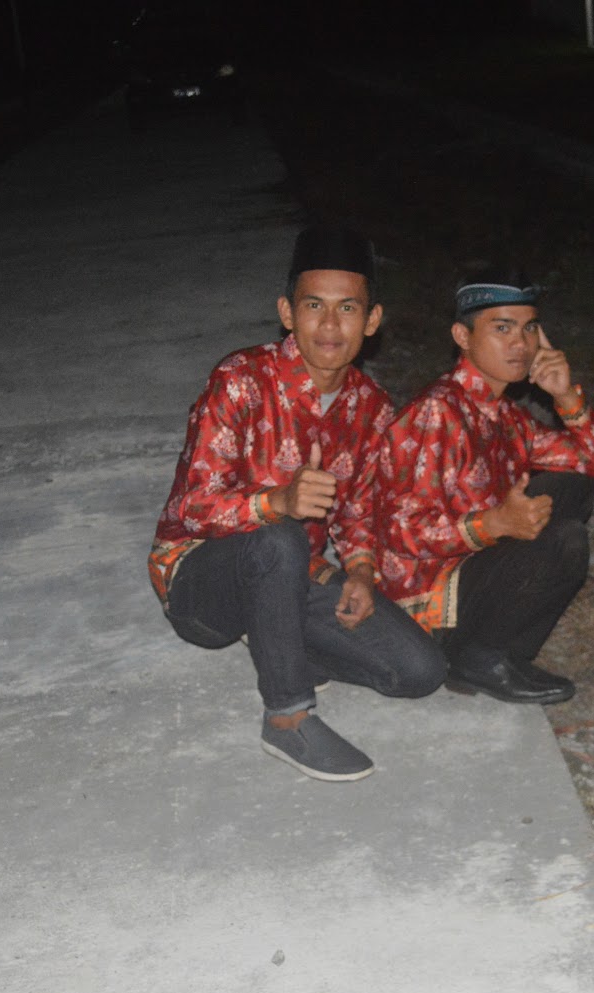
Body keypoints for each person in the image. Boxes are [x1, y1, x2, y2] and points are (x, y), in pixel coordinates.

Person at [147, 224, 446, 782]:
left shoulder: (372, 407)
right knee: (278, 536)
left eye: (348, 308)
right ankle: (287, 718)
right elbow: (191, 507)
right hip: (200, 580)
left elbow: (359, 512)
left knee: (419, 670)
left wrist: (360, 572)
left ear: (372, 321)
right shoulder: (240, 380)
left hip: (293, 573)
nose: (330, 325)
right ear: (287, 312)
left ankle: (274, 630)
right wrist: (277, 501)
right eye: (314, 306)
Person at [369, 270, 594, 704]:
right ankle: (480, 658)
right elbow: (400, 532)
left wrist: (565, 396)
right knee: (564, 540)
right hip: (424, 599)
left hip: (470, 566)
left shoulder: (503, 413)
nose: (520, 344)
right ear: (462, 336)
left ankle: (497, 647)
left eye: (529, 328)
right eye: (502, 329)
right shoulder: (435, 413)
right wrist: (493, 524)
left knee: (573, 487)